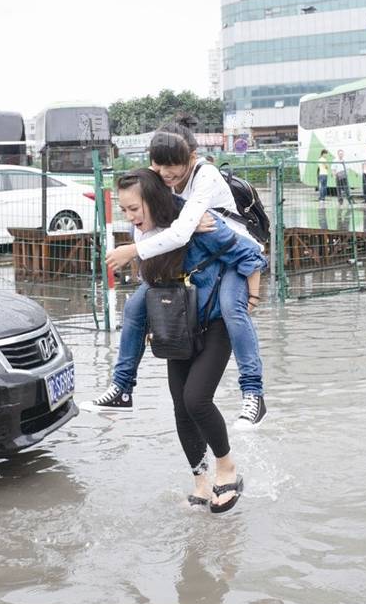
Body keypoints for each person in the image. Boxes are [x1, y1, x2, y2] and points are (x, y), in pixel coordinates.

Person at [85, 115, 267, 429]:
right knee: (134, 306)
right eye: (158, 166)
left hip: (231, 251)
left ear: (190, 158)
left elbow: (184, 234)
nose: (166, 174)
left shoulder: (205, 176)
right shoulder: (158, 179)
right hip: (196, 254)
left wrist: (133, 251)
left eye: (172, 167)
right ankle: (122, 389)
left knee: (232, 310)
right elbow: (151, 225)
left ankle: (253, 394)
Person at [113, 168, 267, 511]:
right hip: (176, 327)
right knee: (181, 409)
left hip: (214, 325)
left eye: (134, 209)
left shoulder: (200, 225)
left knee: (196, 399)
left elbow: (251, 255)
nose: (129, 217)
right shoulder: (147, 236)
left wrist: (251, 297)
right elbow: (153, 284)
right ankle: (201, 480)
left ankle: (227, 469)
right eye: (123, 210)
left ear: (154, 201)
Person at [331, 149, 350, 230]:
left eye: (342, 153)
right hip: (338, 176)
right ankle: (340, 201)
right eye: (340, 153)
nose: (341, 155)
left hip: (344, 176)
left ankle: (349, 200)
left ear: (343, 154)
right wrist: (334, 175)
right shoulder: (335, 161)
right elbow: (333, 169)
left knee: (346, 189)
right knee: (339, 190)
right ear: (338, 154)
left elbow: (348, 168)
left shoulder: (345, 160)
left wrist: (347, 173)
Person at [317, 149, 329, 229]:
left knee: (322, 186)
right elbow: (326, 166)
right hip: (324, 174)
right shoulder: (323, 159)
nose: (326, 155)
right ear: (323, 153)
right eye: (326, 154)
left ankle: (322, 197)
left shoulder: (319, 159)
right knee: (323, 186)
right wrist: (326, 165)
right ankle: (322, 197)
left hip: (321, 174)